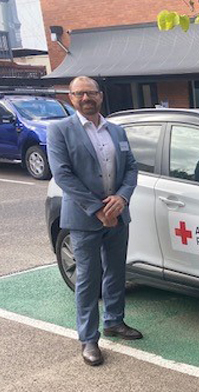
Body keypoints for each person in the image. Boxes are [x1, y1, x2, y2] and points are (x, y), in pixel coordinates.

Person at [46, 76, 141, 367]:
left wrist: (122, 199)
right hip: (85, 218)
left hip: (118, 214)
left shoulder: (116, 130)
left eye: (91, 93)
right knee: (88, 280)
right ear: (71, 97)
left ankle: (114, 321)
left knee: (115, 271)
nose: (86, 98)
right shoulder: (60, 130)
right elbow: (62, 175)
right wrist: (96, 209)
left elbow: (131, 167)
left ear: (100, 96)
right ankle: (88, 339)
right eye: (79, 93)